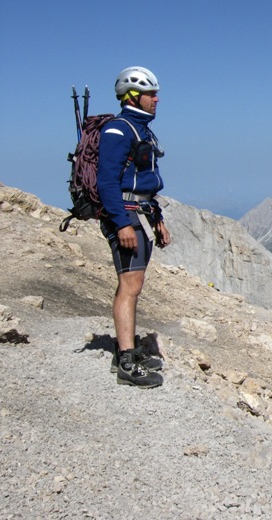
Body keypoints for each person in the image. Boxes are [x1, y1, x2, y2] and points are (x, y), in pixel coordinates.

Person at [98, 66, 170, 388]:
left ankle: (125, 349)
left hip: (139, 211)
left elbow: (144, 182)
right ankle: (127, 362)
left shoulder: (142, 130)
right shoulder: (119, 129)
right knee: (131, 285)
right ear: (131, 96)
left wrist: (157, 218)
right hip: (125, 215)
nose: (156, 99)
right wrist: (122, 223)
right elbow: (106, 182)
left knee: (131, 283)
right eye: (150, 94)